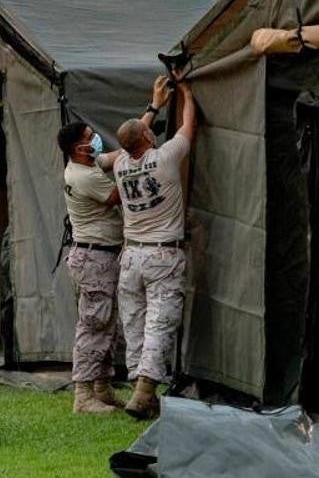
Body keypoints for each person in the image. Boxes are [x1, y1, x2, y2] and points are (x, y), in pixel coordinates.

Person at [98, 75, 196, 420]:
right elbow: (188, 125)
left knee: (135, 322)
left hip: (131, 256)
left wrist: (154, 106)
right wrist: (185, 92)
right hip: (162, 253)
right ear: (149, 138)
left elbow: (123, 145)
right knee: (159, 321)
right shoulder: (166, 157)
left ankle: (143, 392)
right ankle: (144, 390)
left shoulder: (120, 164)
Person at [57, 121, 125, 414]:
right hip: (94, 258)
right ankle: (83, 394)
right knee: (94, 324)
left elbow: (117, 155)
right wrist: (142, 166)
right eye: (89, 137)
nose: (95, 139)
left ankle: (102, 387)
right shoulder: (83, 176)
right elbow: (115, 196)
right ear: (78, 147)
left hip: (100, 256)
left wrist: (151, 112)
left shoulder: (88, 163)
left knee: (106, 324)